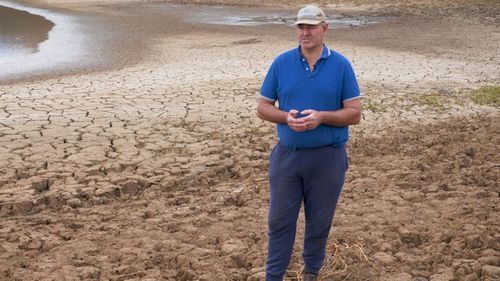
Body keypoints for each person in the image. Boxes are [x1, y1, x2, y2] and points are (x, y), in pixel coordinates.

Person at [256, 4, 362, 281]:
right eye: (301, 27)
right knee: (279, 222)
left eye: (311, 26)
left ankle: (311, 273)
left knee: (319, 223)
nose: (305, 32)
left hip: (328, 158)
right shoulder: (282, 63)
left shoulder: (341, 65)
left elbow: (354, 114)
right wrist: (285, 117)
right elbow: (263, 107)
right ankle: (274, 276)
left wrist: (323, 117)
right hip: (287, 158)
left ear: (324, 29)